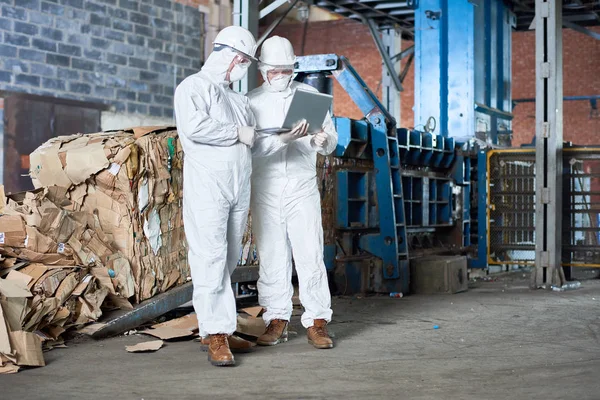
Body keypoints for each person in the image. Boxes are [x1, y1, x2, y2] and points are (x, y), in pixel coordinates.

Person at [174, 25, 258, 367]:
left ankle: (220, 325)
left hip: (238, 186)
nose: (243, 68)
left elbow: (253, 142)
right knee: (209, 257)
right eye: (244, 61)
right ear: (232, 56)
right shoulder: (193, 87)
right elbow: (195, 128)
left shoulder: (239, 100)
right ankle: (216, 335)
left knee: (229, 258)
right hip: (208, 187)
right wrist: (237, 132)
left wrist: (285, 137)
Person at [247, 36, 338, 350]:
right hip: (266, 188)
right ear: (262, 69)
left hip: (301, 186)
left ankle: (317, 321)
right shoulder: (250, 101)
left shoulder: (309, 96)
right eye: (275, 71)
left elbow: (331, 142)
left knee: (310, 253)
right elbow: (252, 149)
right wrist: (285, 137)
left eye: (286, 70)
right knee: (272, 255)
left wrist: (321, 140)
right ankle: (277, 317)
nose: (281, 76)